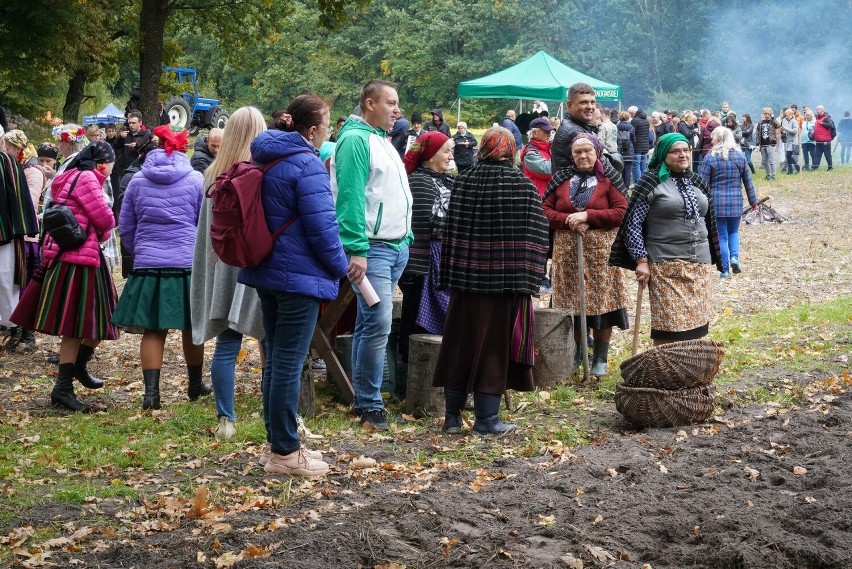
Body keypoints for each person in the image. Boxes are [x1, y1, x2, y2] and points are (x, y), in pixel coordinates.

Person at [239, 95, 348, 477]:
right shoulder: (307, 165)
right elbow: (323, 228)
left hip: (268, 272)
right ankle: (285, 451)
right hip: (298, 276)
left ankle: (278, 447)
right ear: (313, 130)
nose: (330, 129)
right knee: (287, 362)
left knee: (275, 359)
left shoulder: (266, 157)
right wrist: (340, 267)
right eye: (328, 123)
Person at [433, 126, 549, 435]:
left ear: (482, 148)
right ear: (511, 150)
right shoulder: (521, 185)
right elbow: (538, 235)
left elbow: (450, 231)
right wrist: (531, 275)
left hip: (465, 281)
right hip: (505, 284)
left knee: (459, 344)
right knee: (494, 348)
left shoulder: (463, 182)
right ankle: (486, 420)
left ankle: (452, 419)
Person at [11, 142, 118, 412]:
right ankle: (64, 385)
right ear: (102, 162)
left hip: (65, 256)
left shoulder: (68, 175)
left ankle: (72, 375)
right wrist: (103, 230)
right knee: (82, 325)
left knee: (86, 324)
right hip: (80, 259)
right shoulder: (88, 178)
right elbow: (105, 220)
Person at [331, 80, 413, 431]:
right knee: (377, 323)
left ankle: (367, 398)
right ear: (369, 104)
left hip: (394, 246)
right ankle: (369, 404)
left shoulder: (381, 139)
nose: (397, 110)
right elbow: (348, 198)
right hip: (373, 248)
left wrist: (405, 236)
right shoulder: (355, 140)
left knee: (372, 324)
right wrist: (358, 248)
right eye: (390, 103)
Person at [112, 125, 209, 410]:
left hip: (149, 263)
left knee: (153, 329)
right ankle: (194, 386)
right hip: (185, 263)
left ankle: (151, 395)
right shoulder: (195, 180)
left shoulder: (138, 181)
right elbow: (202, 224)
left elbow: (126, 225)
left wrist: (138, 250)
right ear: (183, 149)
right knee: (193, 327)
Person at [191, 107, 267, 439]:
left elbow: (204, 232)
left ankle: (226, 420)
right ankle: (282, 417)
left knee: (227, 342)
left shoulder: (212, 175)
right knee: (272, 344)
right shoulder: (261, 173)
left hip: (223, 264)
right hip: (257, 264)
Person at [609, 133, 723, 346]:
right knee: (668, 323)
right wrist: (641, 260)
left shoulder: (696, 180)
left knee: (695, 320)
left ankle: (689, 368)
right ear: (663, 155)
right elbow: (633, 223)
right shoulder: (650, 181)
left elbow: (709, 220)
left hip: (698, 263)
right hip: (665, 263)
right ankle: (666, 371)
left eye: (686, 150)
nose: (682, 155)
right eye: (675, 151)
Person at [543, 134, 628, 377]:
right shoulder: (561, 178)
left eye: (587, 151)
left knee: (603, 304)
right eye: (578, 152)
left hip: (601, 252)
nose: (583, 155)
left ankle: (600, 357)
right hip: (568, 252)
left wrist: (589, 216)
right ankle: (579, 353)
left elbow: (622, 211)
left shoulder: (610, 178)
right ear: (572, 156)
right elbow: (544, 209)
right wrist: (568, 220)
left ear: (597, 152)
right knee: (572, 303)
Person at [398, 131, 455, 367]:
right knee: (416, 316)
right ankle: (411, 370)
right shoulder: (419, 183)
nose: (451, 156)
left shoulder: (449, 180)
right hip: (425, 260)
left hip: (445, 256)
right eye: (446, 151)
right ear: (430, 156)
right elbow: (422, 226)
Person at [2, 130, 45, 350]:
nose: (4, 149)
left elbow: (28, 201)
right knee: (14, 285)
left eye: (7, 146)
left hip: (27, 238)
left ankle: (26, 335)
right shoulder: (14, 167)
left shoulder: (31, 172)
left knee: (25, 285)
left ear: (18, 148)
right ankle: (15, 331)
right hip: (16, 235)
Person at [698, 127, 758, 278]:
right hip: (736, 201)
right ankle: (734, 257)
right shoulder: (740, 156)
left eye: (713, 138)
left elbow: (702, 184)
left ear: (718, 139)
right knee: (734, 232)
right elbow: (748, 182)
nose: (711, 140)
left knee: (721, 236)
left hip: (716, 203)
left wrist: (700, 205)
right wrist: (753, 202)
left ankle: (725, 270)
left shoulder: (710, 158)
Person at [551, 83, 626, 194]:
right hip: (578, 199)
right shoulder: (575, 133)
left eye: (592, 102)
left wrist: (610, 154)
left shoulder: (579, 127)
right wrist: (612, 154)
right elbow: (614, 166)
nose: (590, 107)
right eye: (583, 102)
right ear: (570, 105)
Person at [630, 106, 651, 182]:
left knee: (636, 166)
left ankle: (638, 183)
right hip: (645, 146)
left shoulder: (635, 121)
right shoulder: (646, 121)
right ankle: (644, 183)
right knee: (643, 166)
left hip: (637, 147)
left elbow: (632, 133)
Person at [812, 105, 835, 171]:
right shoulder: (817, 118)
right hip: (818, 140)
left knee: (827, 154)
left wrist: (822, 123)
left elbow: (831, 125)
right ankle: (815, 167)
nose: (816, 110)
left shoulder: (827, 117)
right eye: (816, 109)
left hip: (825, 140)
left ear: (822, 110)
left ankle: (830, 167)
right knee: (817, 154)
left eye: (817, 109)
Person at [756, 108, 777, 180]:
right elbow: (758, 133)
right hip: (763, 144)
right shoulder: (760, 123)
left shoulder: (772, 122)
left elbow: (778, 125)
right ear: (763, 114)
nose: (767, 115)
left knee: (771, 160)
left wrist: (773, 118)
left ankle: (773, 175)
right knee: (765, 161)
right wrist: (757, 143)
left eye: (768, 114)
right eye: (765, 114)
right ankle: (768, 175)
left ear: (770, 114)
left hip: (770, 143)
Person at [616, 111, 636, 188]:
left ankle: (620, 186)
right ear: (628, 117)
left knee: (620, 169)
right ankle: (626, 186)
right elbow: (634, 140)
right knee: (628, 170)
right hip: (629, 151)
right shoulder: (631, 127)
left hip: (619, 151)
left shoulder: (617, 126)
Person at [781, 108, 801, 174]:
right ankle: (791, 170)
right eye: (785, 116)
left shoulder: (794, 121)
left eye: (787, 115)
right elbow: (788, 131)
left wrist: (785, 128)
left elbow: (795, 131)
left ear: (791, 115)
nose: (786, 117)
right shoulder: (789, 121)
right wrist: (783, 131)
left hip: (793, 142)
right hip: (789, 142)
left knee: (788, 156)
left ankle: (796, 167)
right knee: (788, 156)